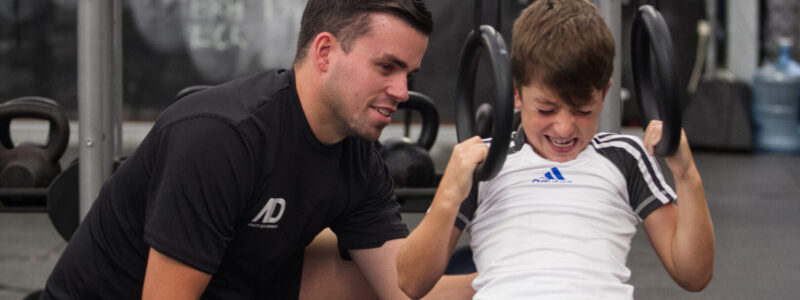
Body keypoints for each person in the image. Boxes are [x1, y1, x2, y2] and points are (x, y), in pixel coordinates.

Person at [42, 1, 441, 299]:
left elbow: (402, 288)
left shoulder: (357, 157)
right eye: (386, 67)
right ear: (324, 52)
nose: (403, 92)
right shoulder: (222, 139)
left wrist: (458, 195)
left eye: (410, 74)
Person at [397, 0, 715, 298]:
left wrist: (687, 175)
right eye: (547, 110)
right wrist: (450, 193)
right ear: (517, 94)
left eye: (582, 111)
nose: (564, 128)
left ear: (605, 94)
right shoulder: (484, 161)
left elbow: (693, 274)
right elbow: (411, 283)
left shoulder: (625, 156)